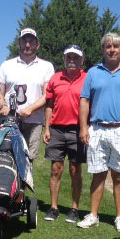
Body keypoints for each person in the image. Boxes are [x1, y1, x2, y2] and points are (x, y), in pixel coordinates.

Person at [77, 32, 120, 232]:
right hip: (98, 129)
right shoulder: (93, 72)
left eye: (115, 47)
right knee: (98, 175)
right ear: (103, 50)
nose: (112, 50)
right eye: (108, 46)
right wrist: (83, 127)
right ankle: (93, 215)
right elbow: (84, 100)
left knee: (119, 176)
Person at [42, 45, 88, 223]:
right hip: (57, 129)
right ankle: (54, 207)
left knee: (75, 170)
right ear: (64, 59)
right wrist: (46, 128)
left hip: (77, 129)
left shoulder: (87, 78)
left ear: (81, 61)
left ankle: (74, 209)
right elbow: (49, 105)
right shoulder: (55, 78)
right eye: (68, 57)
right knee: (56, 169)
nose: (72, 60)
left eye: (75, 58)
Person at [0, 28, 54, 160]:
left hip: (34, 121)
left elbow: (47, 95)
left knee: (28, 160)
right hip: (9, 120)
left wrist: (30, 109)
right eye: (24, 41)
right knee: (7, 157)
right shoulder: (7, 65)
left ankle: (25, 182)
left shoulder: (46, 66)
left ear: (37, 45)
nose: (27, 45)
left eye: (31, 42)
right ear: (19, 43)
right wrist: (3, 106)